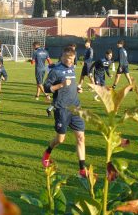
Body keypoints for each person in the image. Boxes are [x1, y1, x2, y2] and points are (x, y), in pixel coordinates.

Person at [41, 46, 87, 177]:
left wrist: (77, 88)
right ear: (62, 57)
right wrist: (60, 85)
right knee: (60, 139)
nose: (69, 61)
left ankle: (82, 170)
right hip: (61, 108)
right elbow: (46, 88)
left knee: (81, 137)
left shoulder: (72, 68)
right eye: (67, 58)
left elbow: (71, 83)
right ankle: (48, 152)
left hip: (76, 107)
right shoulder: (55, 71)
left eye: (72, 58)